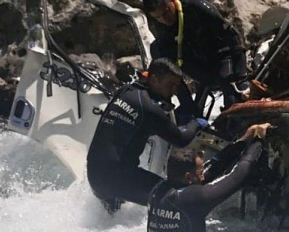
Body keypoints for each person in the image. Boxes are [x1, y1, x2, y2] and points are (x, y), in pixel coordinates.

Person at [86, 58, 209, 212]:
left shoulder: (125, 91)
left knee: (111, 221)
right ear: (153, 79)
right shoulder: (149, 108)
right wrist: (196, 123)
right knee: (173, 197)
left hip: (95, 174)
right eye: (170, 85)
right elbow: (181, 139)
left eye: (176, 86)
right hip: (116, 178)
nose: (174, 91)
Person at [147, 123, 273, 232]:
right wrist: (258, 141)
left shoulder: (158, 190)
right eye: (200, 173)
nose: (203, 178)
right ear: (188, 177)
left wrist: (244, 140)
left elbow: (213, 167)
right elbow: (237, 175)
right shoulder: (192, 198)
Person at [142, 0, 250, 119]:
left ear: (171, 0)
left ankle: (233, 122)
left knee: (232, 97)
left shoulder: (196, 8)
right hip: (200, 65)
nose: (164, 19)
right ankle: (187, 106)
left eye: (166, 12)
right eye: (158, 17)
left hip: (221, 57)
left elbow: (233, 37)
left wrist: (241, 77)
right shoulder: (161, 26)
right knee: (157, 50)